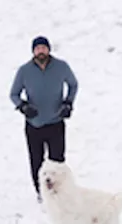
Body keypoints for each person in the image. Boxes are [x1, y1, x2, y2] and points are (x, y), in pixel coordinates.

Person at [9, 36, 79, 201]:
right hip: (34, 125)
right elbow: (13, 94)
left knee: (57, 161)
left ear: (49, 49)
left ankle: (59, 191)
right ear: (33, 51)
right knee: (37, 162)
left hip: (56, 122)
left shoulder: (61, 67)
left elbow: (73, 84)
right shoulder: (24, 71)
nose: (41, 51)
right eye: (38, 48)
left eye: (43, 48)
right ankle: (42, 193)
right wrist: (23, 106)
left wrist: (68, 103)